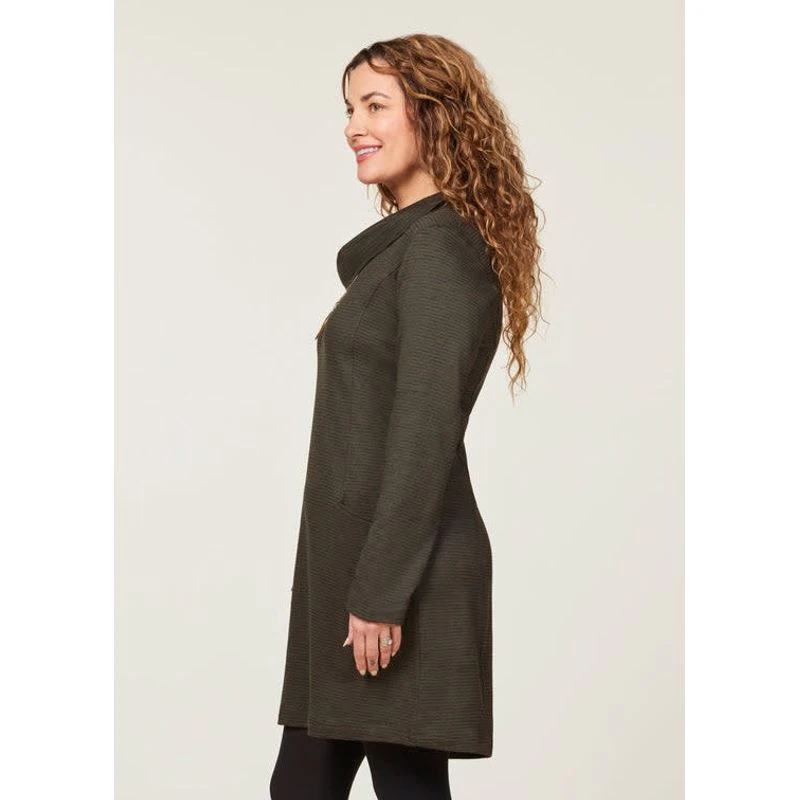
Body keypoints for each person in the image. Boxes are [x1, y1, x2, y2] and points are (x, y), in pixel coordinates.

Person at [270, 33, 543, 799]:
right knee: (304, 785)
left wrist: (380, 593)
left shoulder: (439, 251)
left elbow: (424, 433)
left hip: (394, 580)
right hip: (355, 573)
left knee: (399, 787)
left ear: (434, 115)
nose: (353, 126)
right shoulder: (406, 249)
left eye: (374, 106)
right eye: (349, 109)